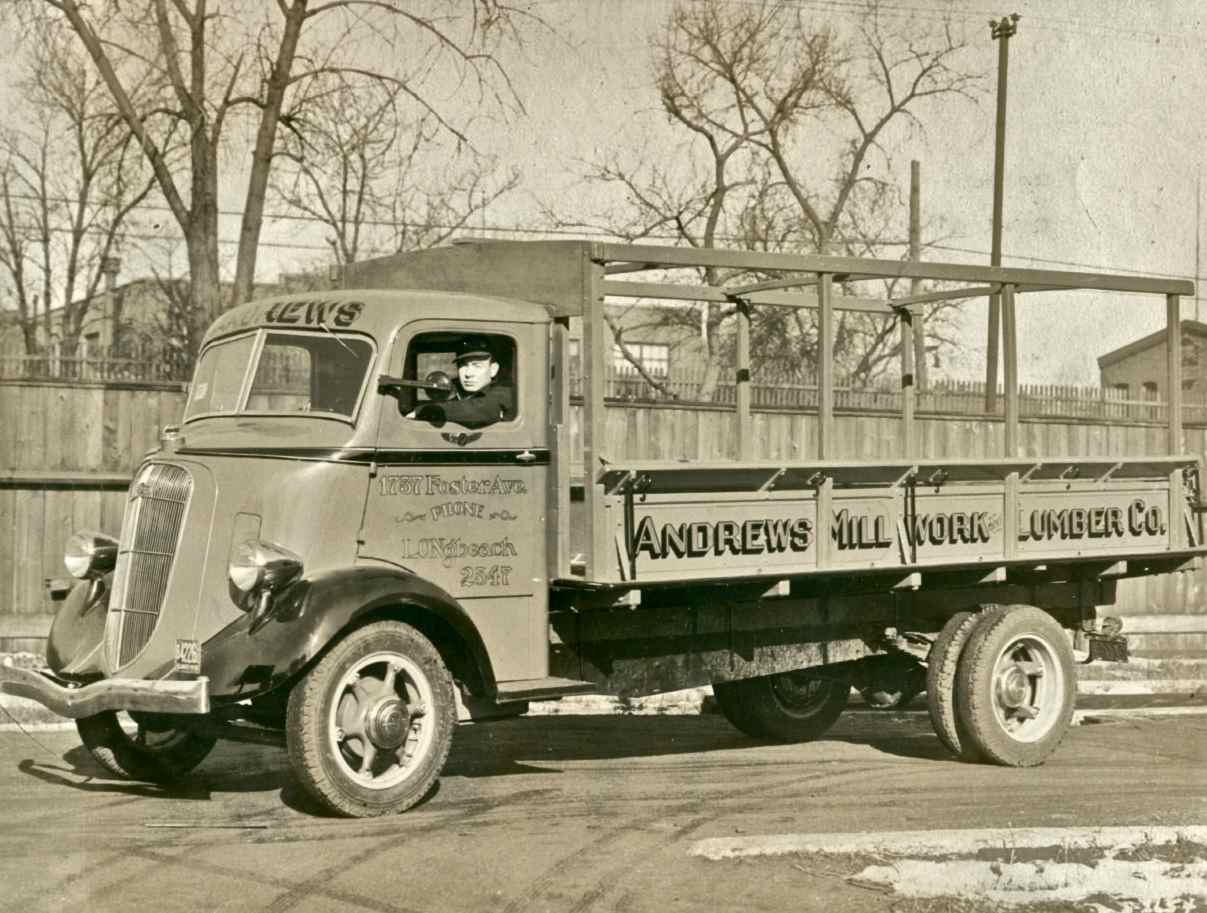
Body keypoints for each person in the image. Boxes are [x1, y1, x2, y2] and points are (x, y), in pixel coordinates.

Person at [409, 335, 513, 429]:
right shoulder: (452, 388)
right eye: (463, 365)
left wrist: (424, 411)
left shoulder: (504, 392)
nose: (468, 373)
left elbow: (480, 409)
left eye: (477, 366)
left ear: (493, 369)